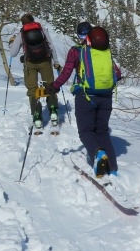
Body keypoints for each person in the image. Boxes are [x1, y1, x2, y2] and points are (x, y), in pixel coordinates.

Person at [48, 21, 122, 177]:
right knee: (102, 131)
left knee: (85, 131)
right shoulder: (103, 51)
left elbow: (67, 72)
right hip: (106, 97)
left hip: (86, 96)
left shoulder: (76, 51)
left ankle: (98, 154)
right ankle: (113, 168)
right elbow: (118, 74)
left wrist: (54, 86)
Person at [9, 13, 61, 129]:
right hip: (45, 61)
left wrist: (11, 43)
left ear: (23, 24)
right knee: (49, 85)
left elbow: (13, 53)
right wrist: (56, 62)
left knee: (32, 88)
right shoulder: (42, 30)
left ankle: (37, 115)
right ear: (33, 21)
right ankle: (53, 110)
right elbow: (51, 46)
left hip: (30, 63)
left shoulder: (22, 33)